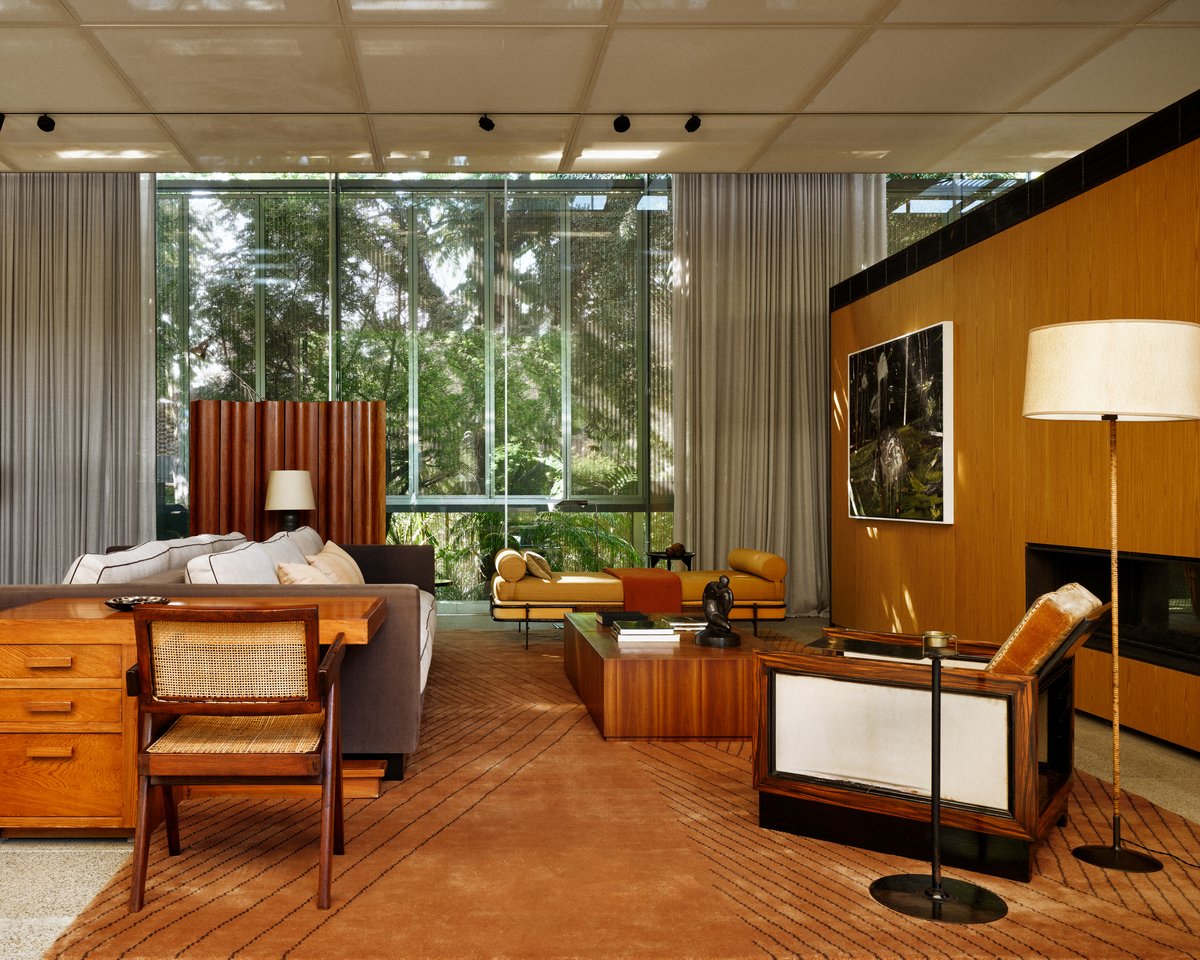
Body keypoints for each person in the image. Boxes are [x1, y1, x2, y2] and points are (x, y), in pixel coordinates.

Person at [697, 575, 739, 647]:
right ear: (720, 582)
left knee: (726, 627)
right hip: (711, 613)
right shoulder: (711, 586)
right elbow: (705, 596)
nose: (724, 587)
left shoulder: (726, 590)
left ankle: (712, 626)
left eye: (726, 585)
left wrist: (725, 616)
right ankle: (712, 626)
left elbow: (730, 603)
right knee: (727, 628)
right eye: (723, 584)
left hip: (718, 612)